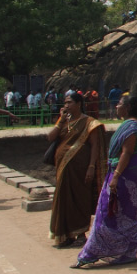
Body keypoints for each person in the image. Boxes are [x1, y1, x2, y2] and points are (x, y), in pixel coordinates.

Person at [72, 93, 137, 268]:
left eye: (119, 104)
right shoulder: (129, 125)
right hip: (125, 173)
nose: (116, 106)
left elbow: (127, 153)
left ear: (128, 107)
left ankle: (96, 251)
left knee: (112, 210)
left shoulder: (131, 128)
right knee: (117, 212)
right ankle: (116, 250)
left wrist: (115, 176)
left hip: (126, 176)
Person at [46, 92, 105, 248]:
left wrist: (92, 167)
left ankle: (80, 233)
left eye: (69, 102)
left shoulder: (89, 123)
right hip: (63, 168)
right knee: (63, 199)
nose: (66, 105)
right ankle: (65, 235)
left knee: (80, 199)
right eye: (65, 102)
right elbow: (50, 137)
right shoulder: (64, 122)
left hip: (80, 169)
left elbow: (95, 146)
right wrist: (60, 121)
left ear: (79, 104)